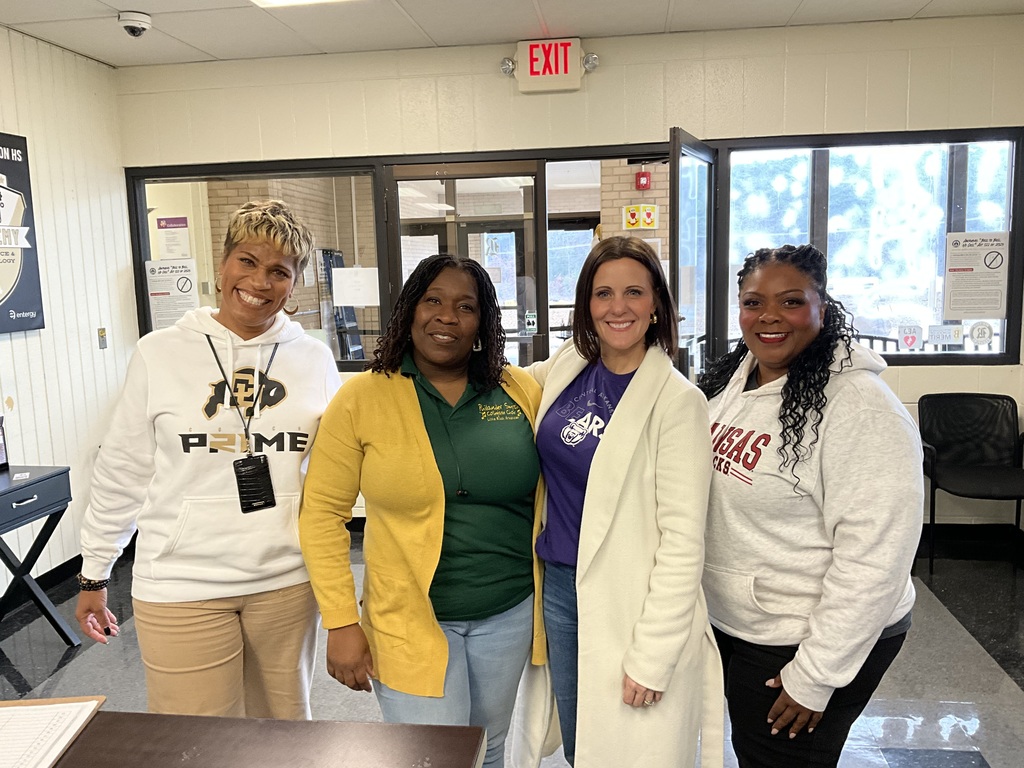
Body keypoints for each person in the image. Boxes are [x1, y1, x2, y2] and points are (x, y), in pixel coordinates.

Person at [75, 200, 340, 719]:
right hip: (181, 584)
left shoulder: (314, 359)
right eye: (247, 261)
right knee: (196, 743)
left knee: (284, 739)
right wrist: (93, 572)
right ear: (221, 266)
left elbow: (329, 471)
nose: (259, 282)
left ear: (295, 284)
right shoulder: (160, 352)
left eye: (278, 271)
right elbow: (124, 470)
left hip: (284, 583)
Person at [299, 253, 543, 768]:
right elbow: (322, 513)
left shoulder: (519, 390)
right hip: (407, 616)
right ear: (409, 310)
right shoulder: (362, 398)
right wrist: (341, 622)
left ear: (483, 322)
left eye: (465, 306)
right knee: (430, 757)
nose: (447, 317)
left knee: (491, 744)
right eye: (433, 300)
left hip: (509, 609)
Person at [697, 244, 923, 768]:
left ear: (823, 306)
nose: (769, 316)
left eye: (791, 301)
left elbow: (876, 556)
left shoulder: (861, 408)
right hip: (748, 621)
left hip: (806, 636)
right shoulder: (742, 379)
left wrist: (816, 676)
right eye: (753, 302)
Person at [516, 236, 723, 767]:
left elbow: (683, 542)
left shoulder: (678, 401)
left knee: (630, 749)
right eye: (603, 292)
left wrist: (654, 655)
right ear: (587, 302)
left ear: (656, 304)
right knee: (583, 738)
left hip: (629, 599)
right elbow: (507, 384)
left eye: (634, 291)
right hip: (560, 587)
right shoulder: (568, 367)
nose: (618, 307)